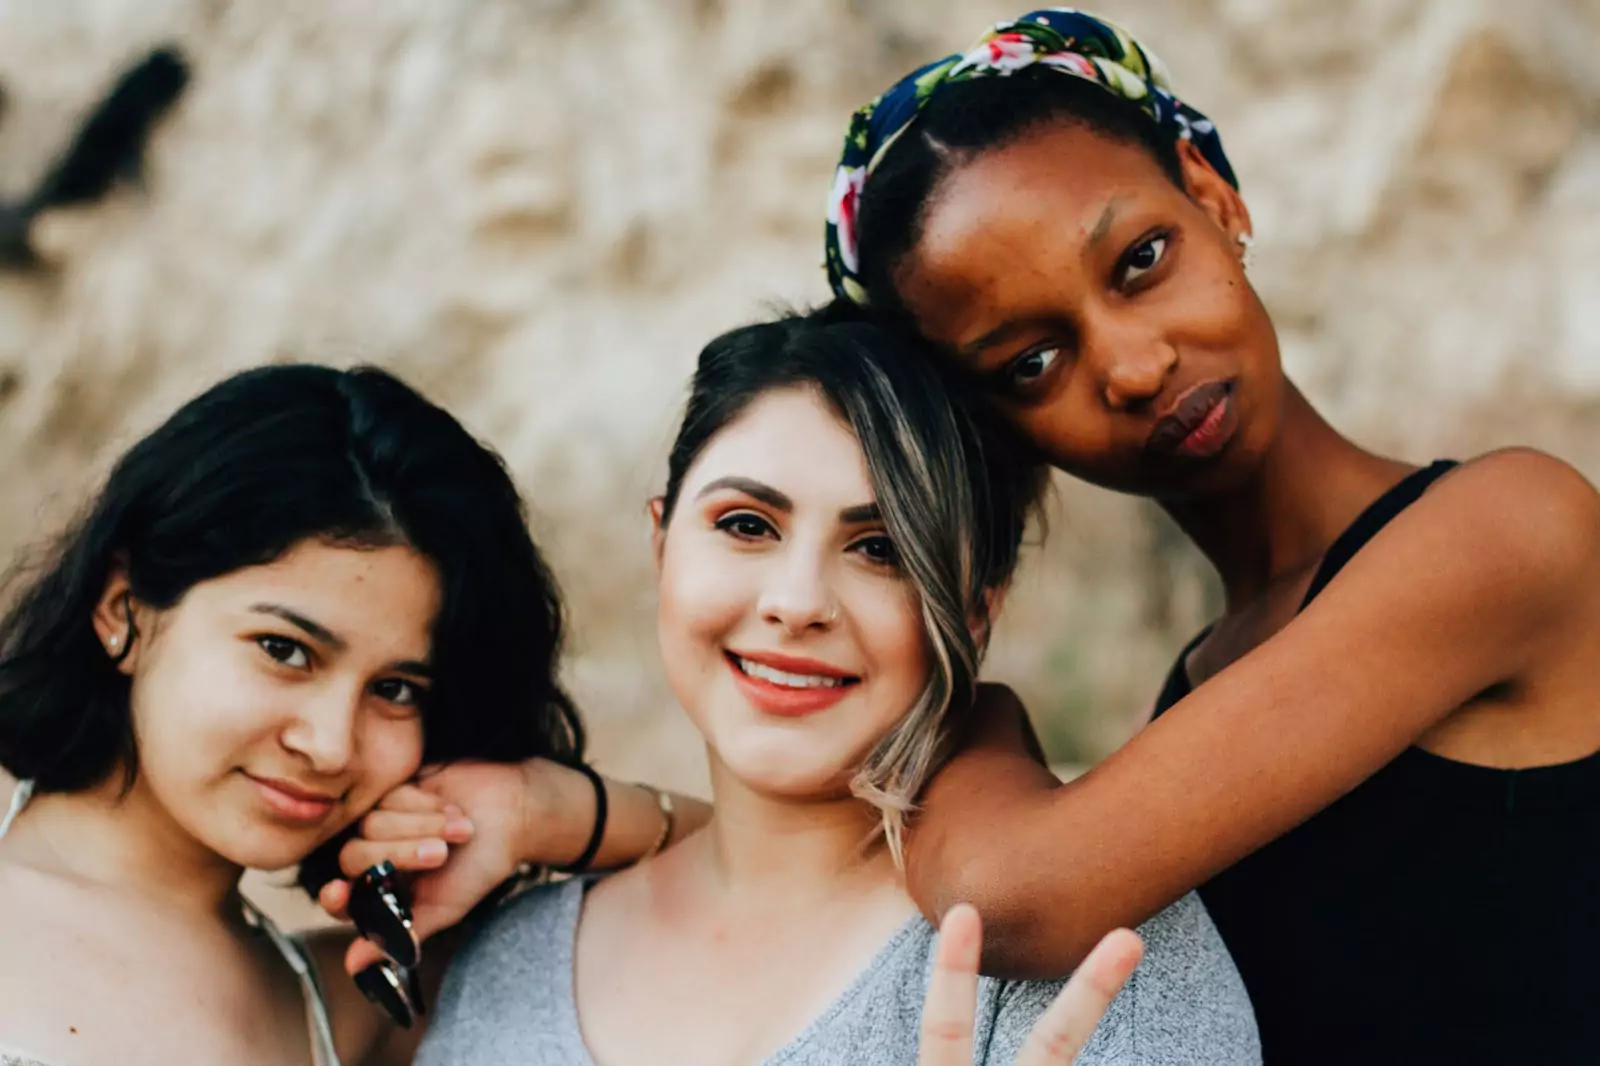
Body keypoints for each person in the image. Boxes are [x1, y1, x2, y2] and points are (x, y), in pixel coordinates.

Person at [824, 8, 1600, 1064]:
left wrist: (977, 711)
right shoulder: (1200, 683)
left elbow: (1011, 902)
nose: (1134, 366)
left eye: (1141, 259)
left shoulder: (1508, 529)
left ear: (1212, 195)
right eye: (1030, 363)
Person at [413, 309, 1260, 1064]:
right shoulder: (507, 963)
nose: (796, 603)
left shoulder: (1099, 959)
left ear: (974, 612)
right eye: (746, 525)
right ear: (662, 541)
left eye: (880, 549)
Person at [0, 363, 700, 1066]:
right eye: (285, 650)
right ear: (122, 609)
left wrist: (539, 811)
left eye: (397, 690)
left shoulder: (350, 1007)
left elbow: (783, 882)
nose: (332, 745)